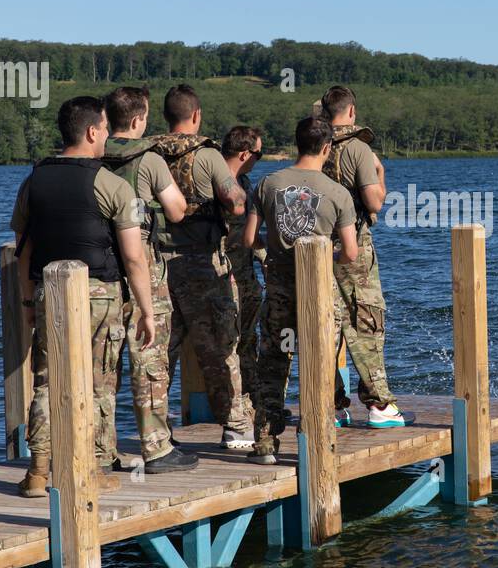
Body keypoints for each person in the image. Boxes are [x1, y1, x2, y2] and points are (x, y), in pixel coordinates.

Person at [11, 96, 155, 497]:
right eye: (106, 129)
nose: (108, 136)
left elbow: (22, 251)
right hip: (99, 294)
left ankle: (38, 470)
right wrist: (146, 310)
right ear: (92, 132)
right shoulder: (111, 184)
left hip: (48, 291)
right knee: (98, 384)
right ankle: (92, 467)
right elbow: (133, 256)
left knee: (46, 380)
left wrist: (27, 303)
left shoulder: (33, 180)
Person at [245, 116, 359, 464]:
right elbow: (351, 254)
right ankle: (317, 436)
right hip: (319, 296)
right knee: (321, 363)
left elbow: (249, 239)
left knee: (274, 362)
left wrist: (276, 249)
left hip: (279, 290)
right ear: (327, 148)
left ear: (297, 143)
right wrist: (327, 256)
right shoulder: (338, 193)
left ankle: (266, 440)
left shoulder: (267, 183)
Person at [100, 87, 198, 473]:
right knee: (149, 353)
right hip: (141, 259)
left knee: (104, 362)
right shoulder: (149, 158)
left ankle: (101, 448)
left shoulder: (94, 155)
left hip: (101, 264)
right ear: (140, 120)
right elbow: (176, 211)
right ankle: (155, 445)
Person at [150, 84, 252, 449]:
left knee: (160, 353)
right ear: (196, 116)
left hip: (155, 264)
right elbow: (235, 202)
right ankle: (236, 426)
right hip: (202, 263)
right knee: (221, 347)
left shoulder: (148, 154)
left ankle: (157, 434)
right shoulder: (206, 155)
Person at [317, 86, 406, 428]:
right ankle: (379, 404)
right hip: (352, 245)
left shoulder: (316, 145)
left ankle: (333, 404)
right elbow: (374, 203)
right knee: (366, 320)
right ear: (351, 111)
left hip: (316, 247)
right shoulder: (358, 148)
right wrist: (381, 175)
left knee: (327, 323)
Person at [220, 125, 265, 410]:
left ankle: (252, 400)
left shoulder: (246, 183)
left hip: (246, 275)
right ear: (245, 153)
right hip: (221, 277)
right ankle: (232, 407)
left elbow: (250, 233)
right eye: (259, 154)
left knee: (248, 341)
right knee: (227, 344)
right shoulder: (214, 181)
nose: (259, 160)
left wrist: (266, 257)